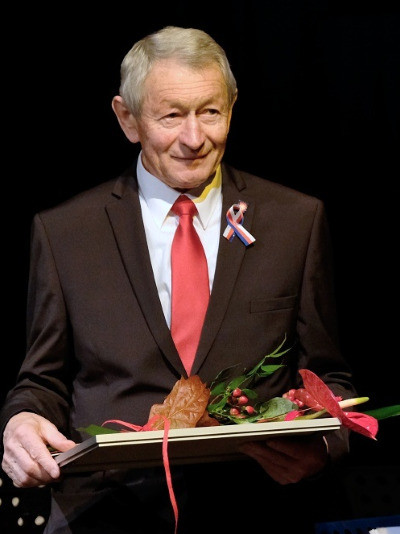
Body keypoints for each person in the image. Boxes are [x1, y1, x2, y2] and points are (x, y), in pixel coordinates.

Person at [0, 26, 356, 533]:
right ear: (127, 118)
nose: (194, 138)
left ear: (232, 108)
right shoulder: (66, 233)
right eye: (171, 116)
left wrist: (323, 447)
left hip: (256, 510)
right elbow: (43, 380)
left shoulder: (294, 221)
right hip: (107, 514)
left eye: (210, 112)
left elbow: (328, 378)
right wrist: (21, 422)